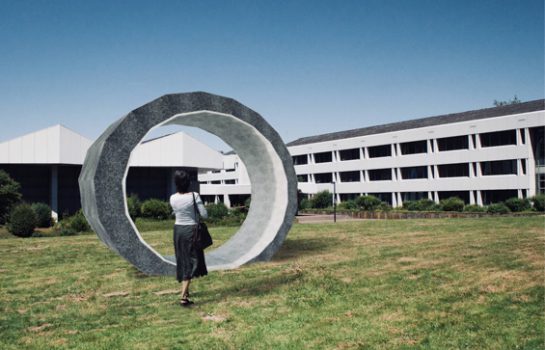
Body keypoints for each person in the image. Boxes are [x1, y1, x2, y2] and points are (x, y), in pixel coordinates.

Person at [169, 170, 208, 307]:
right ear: (188, 183)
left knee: (183, 259)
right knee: (192, 262)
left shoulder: (172, 198)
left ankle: (186, 293)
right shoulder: (194, 196)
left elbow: (175, 212)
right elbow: (205, 214)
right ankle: (183, 297)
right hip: (191, 231)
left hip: (178, 230)